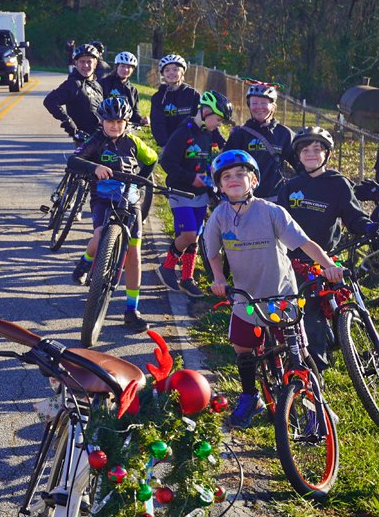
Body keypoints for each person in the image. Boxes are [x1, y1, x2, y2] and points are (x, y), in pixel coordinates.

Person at [204, 150, 344, 428]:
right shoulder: (219, 216)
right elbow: (212, 253)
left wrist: (329, 266)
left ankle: (315, 402)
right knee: (242, 348)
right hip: (246, 297)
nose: (234, 180)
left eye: (241, 174)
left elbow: (304, 243)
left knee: (297, 352)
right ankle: (250, 396)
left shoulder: (271, 211)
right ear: (219, 185)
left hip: (281, 294)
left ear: (254, 181)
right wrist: (219, 279)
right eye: (226, 177)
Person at [281, 126, 378, 370]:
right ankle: (317, 368)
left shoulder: (338, 184)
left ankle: (352, 344)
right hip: (295, 263)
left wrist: (368, 228)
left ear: (327, 154)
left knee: (347, 301)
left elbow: (354, 216)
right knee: (310, 314)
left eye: (317, 149)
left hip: (329, 260)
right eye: (305, 150)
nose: (311, 154)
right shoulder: (290, 187)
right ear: (298, 155)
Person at [68, 96, 158, 331]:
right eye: (110, 122)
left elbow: (152, 159)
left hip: (130, 199)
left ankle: (131, 309)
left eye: (120, 122)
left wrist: (143, 180)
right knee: (99, 237)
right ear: (102, 121)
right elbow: (73, 160)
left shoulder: (134, 142)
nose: (115, 126)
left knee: (134, 253)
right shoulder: (97, 140)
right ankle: (85, 262)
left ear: (127, 122)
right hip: (103, 198)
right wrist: (94, 167)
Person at [157, 90, 231, 297]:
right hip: (181, 192)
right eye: (218, 119)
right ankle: (167, 266)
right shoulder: (183, 133)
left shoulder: (210, 133)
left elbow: (223, 150)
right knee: (188, 234)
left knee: (195, 237)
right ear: (205, 112)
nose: (219, 124)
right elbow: (166, 162)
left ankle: (187, 278)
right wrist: (191, 178)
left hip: (202, 194)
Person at [225, 82, 294, 202]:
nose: (259, 107)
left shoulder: (284, 134)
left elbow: (300, 165)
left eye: (264, 103)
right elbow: (226, 166)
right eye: (254, 103)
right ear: (249, 105)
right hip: (245, 200)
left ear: (273, 106)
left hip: (275, 200)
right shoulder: (239, 134)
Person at [44, 43, 104, 144]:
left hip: (100, 137)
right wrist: (67, 121)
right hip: (84, 141)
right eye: (82, 62)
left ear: (95, 64)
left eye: (89, 61)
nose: (85, 65)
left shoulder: (97, 85)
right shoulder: (73, 84)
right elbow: (50, 101)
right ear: (76, 63)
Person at [150, 54, 200, 150]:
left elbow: (203, 117)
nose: (171, 73)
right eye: (167, 70)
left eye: (175, 69)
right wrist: (164, 145)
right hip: (169, 144)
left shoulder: (193, 94)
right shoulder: (158, 97)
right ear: (163, 74)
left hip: (191, 144)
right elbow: (157, 123)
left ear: (182, 73)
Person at [98, 51, 147, 128]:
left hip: (125, 126)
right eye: (123, 66)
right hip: (106, 125)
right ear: (117, 66)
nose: (126, 69)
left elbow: (134, 112)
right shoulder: (104, 83)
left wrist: (141, 119)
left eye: (129, 67)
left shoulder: (133, 90)